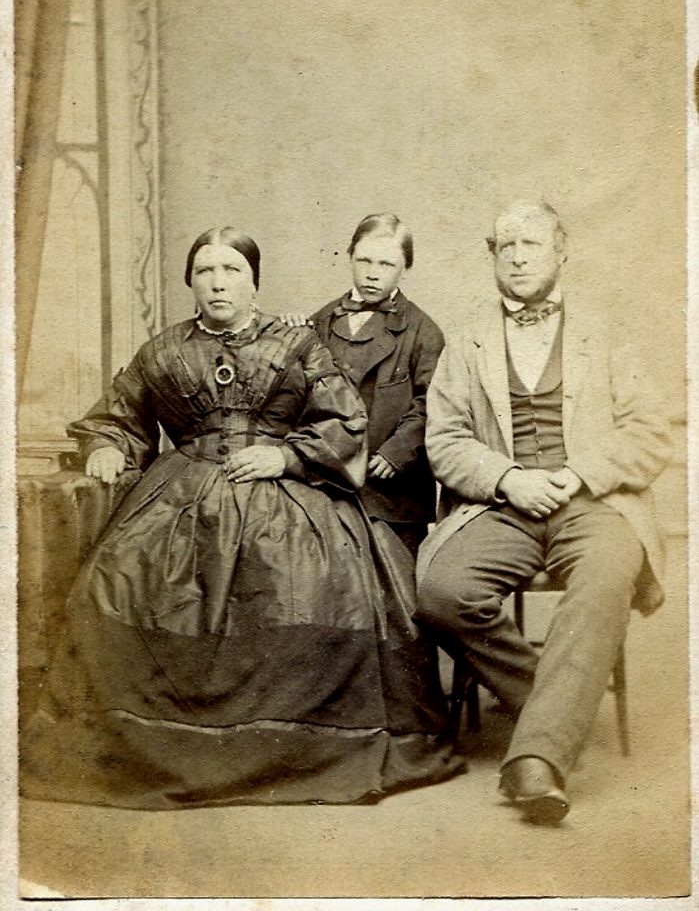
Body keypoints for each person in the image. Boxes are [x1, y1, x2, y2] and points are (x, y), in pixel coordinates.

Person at [22, 226, 462, 810]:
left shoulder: (299, 346)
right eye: (206, 271)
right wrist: (108, 445)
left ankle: (293, 743)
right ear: (191, 282)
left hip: (281, 487)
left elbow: (345, 418)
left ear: (254, 283)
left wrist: (283, 454)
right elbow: (120, 414)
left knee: (313, 582)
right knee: (119, 579)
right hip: (179, 496)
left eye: (232, 271)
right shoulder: (165, 349)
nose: (218, 282)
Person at [415, 200, 672, 824]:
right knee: (442, 590)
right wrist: (507, 477)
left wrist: (577, 473)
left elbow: (650, 431)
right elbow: (444, 441)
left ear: (562, 250)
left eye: (531, 244)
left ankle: (537, 761)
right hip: (503, 508)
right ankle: (557, 709)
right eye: (507, 246)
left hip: (593, 502)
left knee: (608, 574)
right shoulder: (468, 340)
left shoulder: (605, 333)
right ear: (492, 257)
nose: (519, 256)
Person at [308, 213, 444, 560]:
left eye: (386, 263)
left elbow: (433, 403)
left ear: (404, 268)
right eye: (364, 260)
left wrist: (397, 452)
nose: (372, 272)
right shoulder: (320, 322)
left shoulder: (423, 332)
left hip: (392, 495)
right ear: (349, 256)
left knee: (393, 594)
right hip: (328, 484)